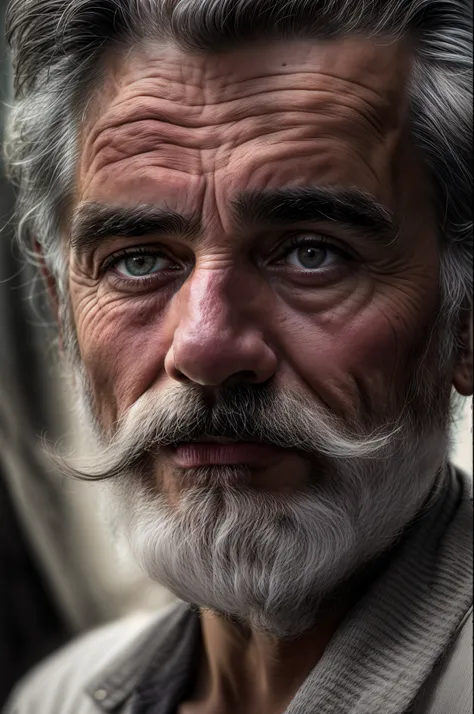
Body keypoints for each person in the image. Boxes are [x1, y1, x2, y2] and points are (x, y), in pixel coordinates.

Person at [3, 1, 472, 712]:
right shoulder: (58, 699)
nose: (206, 347)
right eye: (137, 262)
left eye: (313, 254)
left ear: (465, 321)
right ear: (61, 312)